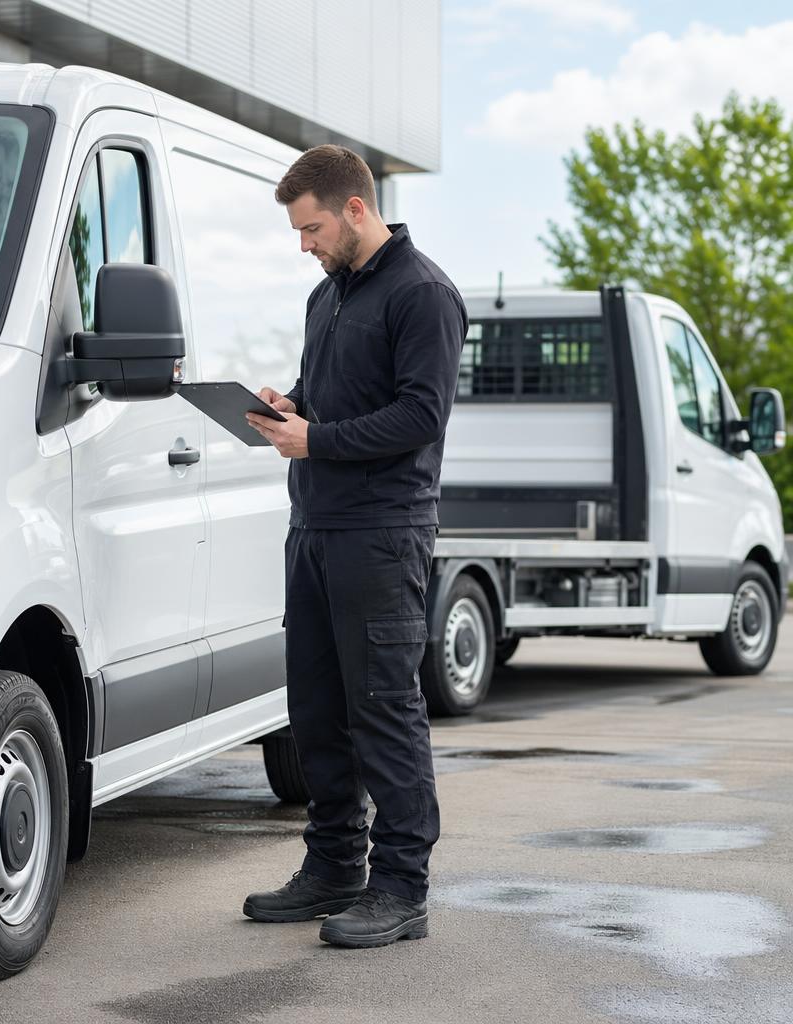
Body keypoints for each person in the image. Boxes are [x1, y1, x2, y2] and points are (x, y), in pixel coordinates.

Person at [242, 144, 467, 948]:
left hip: (382, 532)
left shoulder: (424, 295)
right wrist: (285, 406)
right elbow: (329, 401)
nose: (304, 244)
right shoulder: (325, 299)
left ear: (355, 210)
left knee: (384, 712)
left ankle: (402, 888)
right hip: (315, 528)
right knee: (317, 711)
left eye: (311, 229)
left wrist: (319, 437)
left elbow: (419, 417)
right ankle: (334, 867)